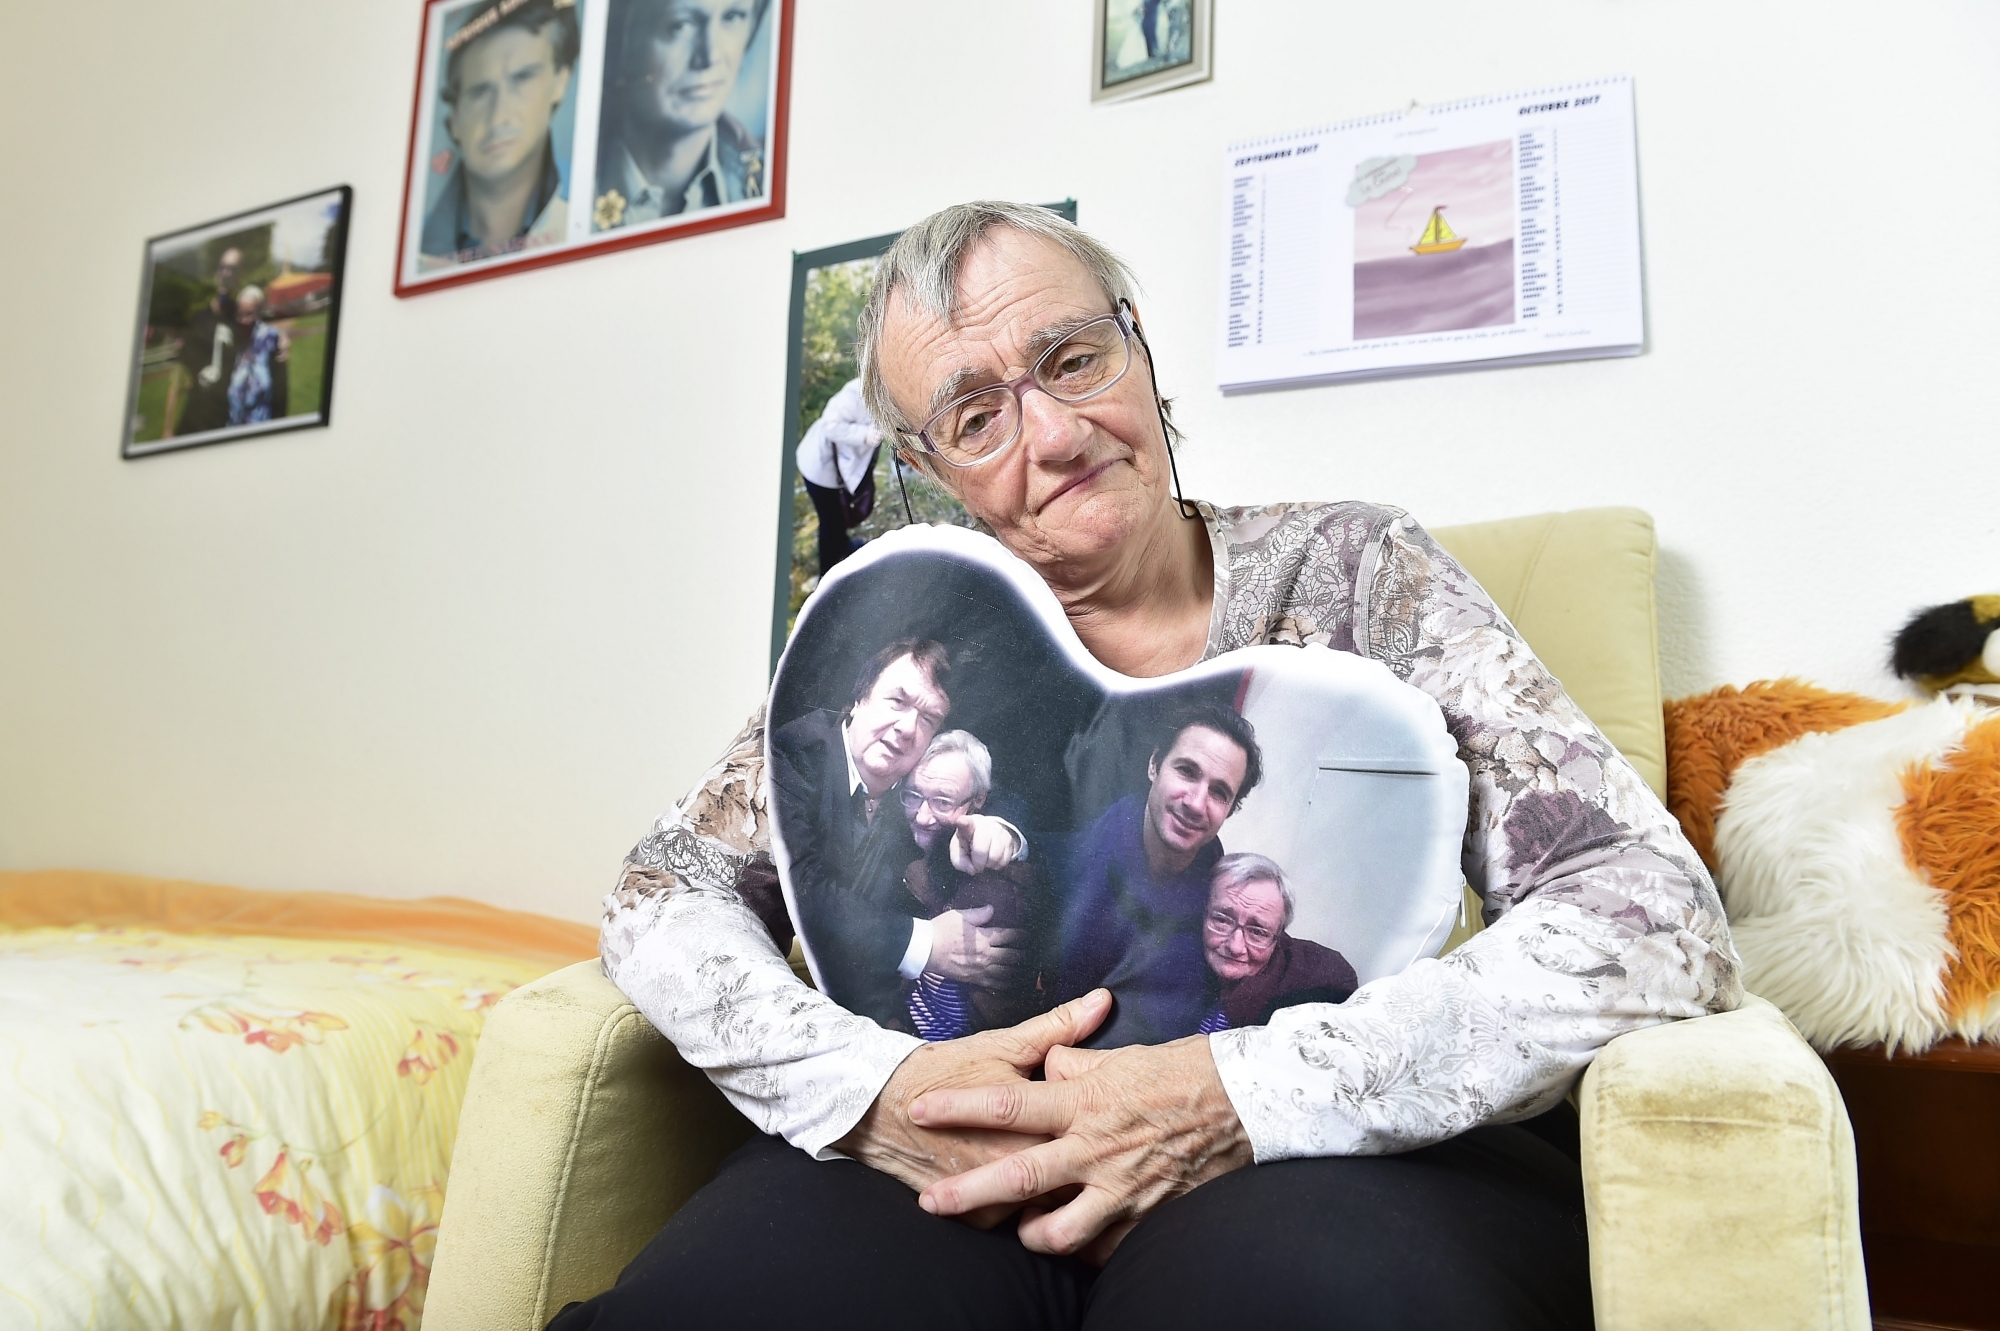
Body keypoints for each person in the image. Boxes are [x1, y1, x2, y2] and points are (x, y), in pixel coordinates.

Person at [576, 201, 1737, 1330]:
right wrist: (869, 1090)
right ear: (934, 470)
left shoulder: (1355, 569)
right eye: (976, 417)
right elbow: (661, 888)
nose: (1054, 433)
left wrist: (1237, 1093)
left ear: (1136, 339)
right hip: (946, 1155)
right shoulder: (910, 634)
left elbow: (1649, 909)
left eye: (1072, 359)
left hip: (1302, 1157)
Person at [767, 640, 1028, 1031]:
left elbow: (978, 789)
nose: (908, 727)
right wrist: (928, 945)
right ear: (859, 698)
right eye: (898, 701)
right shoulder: (796, 751)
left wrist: (1002, 831)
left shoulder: (905, 785)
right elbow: (804, 887)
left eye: (928, 719)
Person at [1056, 704, 1263, 1047]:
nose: (1196, 803)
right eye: (1187, 771)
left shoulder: (1217, 891)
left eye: (1219, 793)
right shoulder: (1072, 862)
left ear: (1230, 810)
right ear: (1154, 765)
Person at [899, 730, 1047, 1040]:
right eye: (913, 795)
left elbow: (999, 1023)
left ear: (979, 799)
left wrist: (1006, 835)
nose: (923, 817)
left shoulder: (994, 892)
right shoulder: (900, 849)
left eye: (942, 801)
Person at [419, 0, 578, 268]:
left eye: (522, 78)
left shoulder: (588, 214)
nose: (498, 115)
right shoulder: (415, 251)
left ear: (560, 82)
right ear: (454, 117)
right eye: (479, 91)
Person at [592, 0, 766, 233]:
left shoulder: (764, 180)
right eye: (680, 25)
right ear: (623, 42)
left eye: (732, 17)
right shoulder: (567, 197)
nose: (710, 56)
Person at [1193, 853, 1356, 1033]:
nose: (1235, 946)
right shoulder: (1177, 945)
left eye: (1257, 932)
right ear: (1203, 913)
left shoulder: (1321, 977)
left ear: (1278, 935)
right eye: (1222, 921)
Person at [796, 378, 883, 577]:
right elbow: (830, 425)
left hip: (838, 468)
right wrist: (864, 434)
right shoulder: (856, 392)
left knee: (838, 519)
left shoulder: (887, 394)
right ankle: (827, 577)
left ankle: (843, 547)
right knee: (830, 523)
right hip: (820, 469)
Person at [167, 247, 245, 436]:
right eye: (223, 267)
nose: (226, 273)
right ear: (216, 274)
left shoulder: (243, 321)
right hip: (191, 425)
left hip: (227, 425)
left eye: (233, 269)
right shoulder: (197, 320)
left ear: (239, 276)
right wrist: (168, 429)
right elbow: (178, 378)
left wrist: (281, 342)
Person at [224, 286, 290, 426]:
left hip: (261, 421)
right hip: (234, 422)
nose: (243, 320)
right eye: (240, 314)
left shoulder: (271, 338)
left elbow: (281, 388)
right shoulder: (232, 338)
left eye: (249, 314)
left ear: (259, 312)